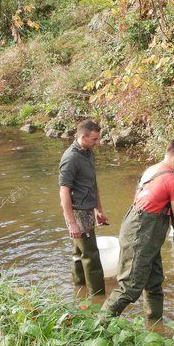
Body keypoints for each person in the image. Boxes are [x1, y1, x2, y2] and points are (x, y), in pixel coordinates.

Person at [102, 138, 174, 320]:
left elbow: (139, 200)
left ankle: (155, 326)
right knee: (129, 287)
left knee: (154, 283)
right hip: (141, 234)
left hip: (141, 229)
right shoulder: (173, 181)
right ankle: (96, 329)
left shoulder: (151, 170)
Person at [58, 119, 108, 296]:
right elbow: (64, 192)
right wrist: (72, 223)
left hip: (88, 208)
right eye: (94, 139)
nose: (97, 142)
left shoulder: (88, 153)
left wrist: (98, 209)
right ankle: (99, 297)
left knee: (78, 252)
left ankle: (79, 289)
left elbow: (92, 183)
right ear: (82, 137)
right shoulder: (71, 159)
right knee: (91, 255)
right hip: (77, 211)